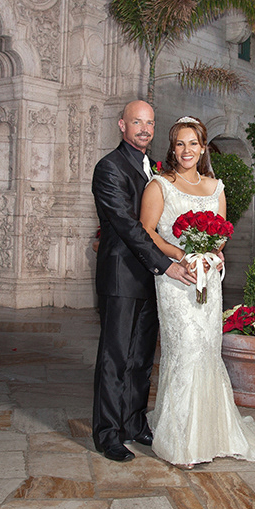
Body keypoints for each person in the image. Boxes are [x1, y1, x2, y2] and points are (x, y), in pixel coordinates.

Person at [139, 116, 255, 469]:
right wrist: (182, 255)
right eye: (180, 144)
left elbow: (221, 233)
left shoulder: (216, 187)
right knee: (184, 349)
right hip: (177, 279)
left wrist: (214, 254)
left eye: (193, 143)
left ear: (204, 148)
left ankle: (212, 433)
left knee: (206, 350)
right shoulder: (159, 185)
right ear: (172, 149)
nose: (186, 150)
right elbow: (147, 231)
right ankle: (181, 440)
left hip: (209, 280)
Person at [91, 100, 196, 463]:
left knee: (141, 358)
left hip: (151, 280)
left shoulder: (153, 168)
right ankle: (107, 434)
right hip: (122, 277)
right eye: (137, 122)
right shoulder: (109, 168)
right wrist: (167, 264)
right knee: (115, 358)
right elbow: (130, 227)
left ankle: (134, 423)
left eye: (149, 123)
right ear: (122, 125)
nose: (144, 129)